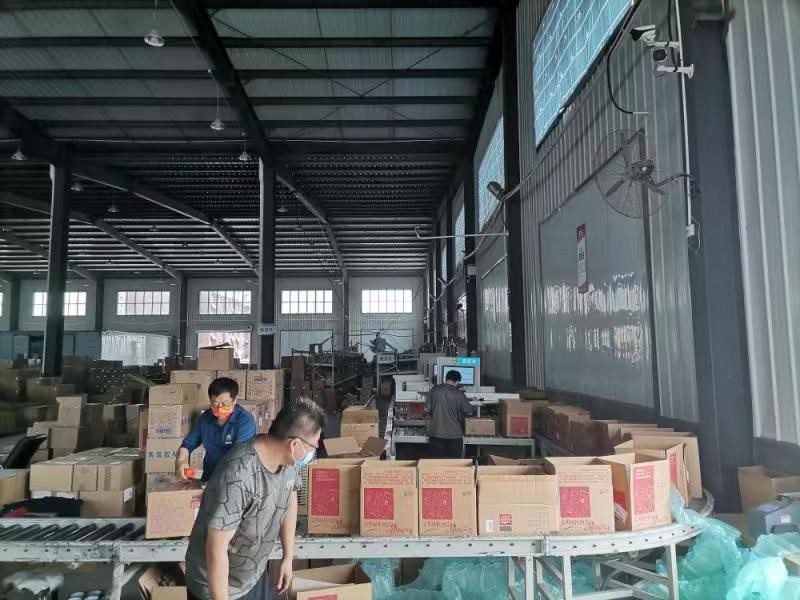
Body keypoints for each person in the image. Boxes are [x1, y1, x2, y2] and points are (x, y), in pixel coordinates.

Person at [185, 397, 324, 600]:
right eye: (313, 446)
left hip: (250, 575)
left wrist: (287, 557)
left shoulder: (288, 462)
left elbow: (289, 494)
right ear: (294, 444)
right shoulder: (238, 476)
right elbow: (216, 548)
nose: (313, 452)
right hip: (217, 586)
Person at [176, 377, 256, 482]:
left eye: (224, 404)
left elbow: (239, 456)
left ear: (234, 400)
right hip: (210, 475)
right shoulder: (205, 418)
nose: (220, 408)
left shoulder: (245, 421)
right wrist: (181, 462)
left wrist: (220, 483)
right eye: (215, 404)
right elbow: (188, 444)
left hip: (236, 477)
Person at [427, 370, 474, 458]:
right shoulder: (459, 393)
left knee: (435, 463)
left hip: (436, 433)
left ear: (446, 378)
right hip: (454, 435)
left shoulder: (434, 390)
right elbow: (469, 411)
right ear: (457, 381)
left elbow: (427, 409)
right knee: (454, 464)